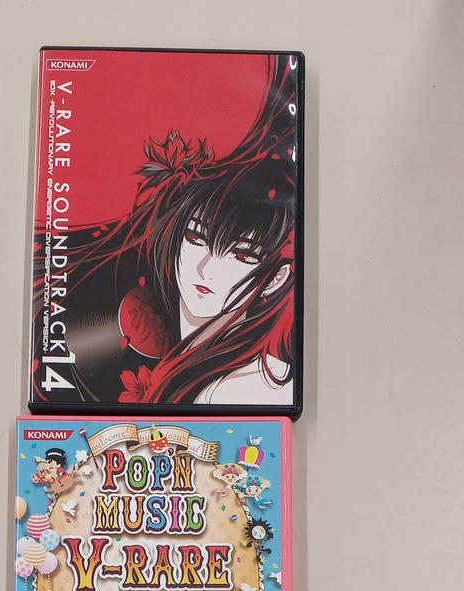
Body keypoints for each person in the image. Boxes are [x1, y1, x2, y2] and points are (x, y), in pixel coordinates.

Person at [32, 53, 298, 408]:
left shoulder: (245, 387)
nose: (205, 268)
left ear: (277, 278)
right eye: (196, 238)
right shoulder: (185, 360)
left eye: (240, 254)